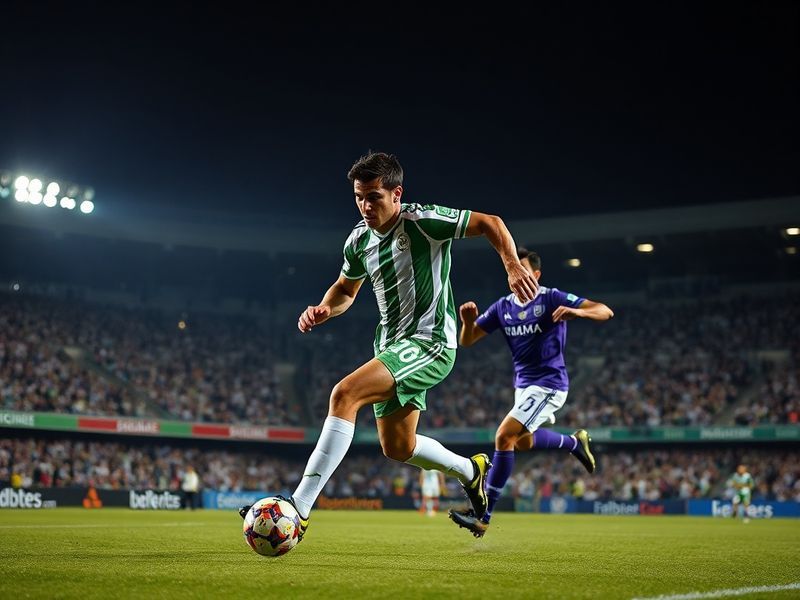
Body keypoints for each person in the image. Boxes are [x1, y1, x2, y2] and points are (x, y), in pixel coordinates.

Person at [239, 152, 538, 544]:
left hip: (430, 342)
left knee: (344, 394)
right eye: (359, 197)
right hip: (392, 346)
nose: (366, 206)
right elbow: (346, 290)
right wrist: (326, 308)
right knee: (398, 447)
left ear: (397, 194)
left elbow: (489, 223)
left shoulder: (422, 221)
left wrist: (513, 265)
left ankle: (300, 506)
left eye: (374, 197)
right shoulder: (359, 240)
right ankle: (470, 471)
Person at [449, 249, 613, 537]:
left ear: (536, 275)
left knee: (503, 436)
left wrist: (577, 311)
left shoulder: (551, 297)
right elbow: (468, 340)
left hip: (549, 384)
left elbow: (604, 310)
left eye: (523, 271)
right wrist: (467, 322)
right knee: (521, 444)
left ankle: (483, 516)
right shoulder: (502, 307)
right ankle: (575, 443)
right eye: (512, 272)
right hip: (523, 387)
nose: (516, 277)